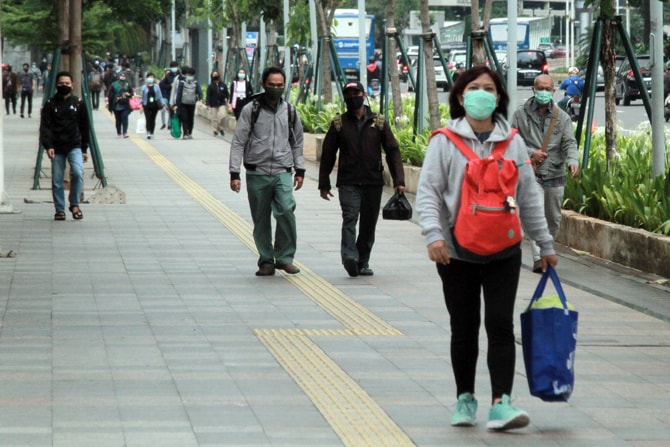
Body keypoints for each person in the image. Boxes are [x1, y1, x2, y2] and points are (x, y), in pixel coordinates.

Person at [415, 66, 558, 431]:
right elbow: (429, 192)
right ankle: (465, 398)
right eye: (474, 88)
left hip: (504, 251)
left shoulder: (512, 142)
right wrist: (433, 235)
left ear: (498, 97)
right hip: (455, 253)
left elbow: (529, 196)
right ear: (460, 97)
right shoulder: (444, 141)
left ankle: (501, 404)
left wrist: (544, 244)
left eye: (489, 89)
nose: (482, 93)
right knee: (463, 327)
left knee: (500, 324)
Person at [318, 81, 405, 277]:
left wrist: (399, 180)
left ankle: (363, 261)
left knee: (368, 223)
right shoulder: (339, 124)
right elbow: (328, 153)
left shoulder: (378, 122)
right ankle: (350, 257)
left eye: (356, 93)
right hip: (348, 182)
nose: (352, 97)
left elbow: (392, 150)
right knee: (350, 218)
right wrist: (324, 182)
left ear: (364, 95)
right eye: (348, 94)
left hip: (373, 182)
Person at [229, 66, 304, 276]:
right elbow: (238, 142)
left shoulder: (290, 111)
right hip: (257, 172)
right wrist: (234, 173)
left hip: (282, 170)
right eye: (272, 85)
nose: (276, 88)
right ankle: (266, 260)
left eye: (280, 85)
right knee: (261, 219)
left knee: (286, 210)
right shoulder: (250, 110)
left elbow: (297, 142)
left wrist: (300, 169)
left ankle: (284, 257)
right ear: (264, 84)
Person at [511, 74, 579, 273]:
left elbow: (569, 142)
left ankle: (547, 250)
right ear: (533, 89)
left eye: (547, 89)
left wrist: (572, 160)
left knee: (553, 219)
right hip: (531, 173)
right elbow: (511, 140)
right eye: (540, 88)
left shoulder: (562, 117)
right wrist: (531, 153)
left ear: (553, 91)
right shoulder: (520, 114)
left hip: (555, 174)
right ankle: (539, 258)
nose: (543, 92)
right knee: (536, 214)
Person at [39, 71, 90, 221]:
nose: (64, 86)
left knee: (78, 172)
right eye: (61, 83)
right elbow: (45, 127)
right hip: (56, 147)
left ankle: (74, 204)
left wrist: (84, 148)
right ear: (56, 85)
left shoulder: (79, 103)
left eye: (67, 83)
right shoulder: (50, 104)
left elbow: (84, 127)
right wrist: (48, 146)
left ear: (72, 85)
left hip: (74, 145)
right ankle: (59, 209)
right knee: (57, 179)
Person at [171, 66, 202, 139]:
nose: (189, 76)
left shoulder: (195, 83)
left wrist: (201, 99)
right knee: (184, 118)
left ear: (193, 75)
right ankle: (185, 133)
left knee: (191, 119)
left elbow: (199, 92)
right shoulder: (182, 83)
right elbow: (179, 94)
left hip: (192, 104)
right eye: (188, 75)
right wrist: (177, 104)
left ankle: (189, 132)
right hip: (183, 104)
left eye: (191, 75)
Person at [107, 72, 134, 138]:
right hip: (116, 105)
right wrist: (110, 102)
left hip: (125, 104)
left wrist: (129, 94)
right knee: (118, 119)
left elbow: (132, 93)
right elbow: (110, 94)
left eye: (124, 76)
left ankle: (125, 132)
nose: (123, 77)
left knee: (125, 117)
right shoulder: (114, 84)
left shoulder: (128, 84)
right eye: (121, 75)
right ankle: (118, 132)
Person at [139, 72, 165, 139]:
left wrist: (163, 105)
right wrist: (141, 106)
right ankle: (148, 132)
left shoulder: (156, 87)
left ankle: (152, 132)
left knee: (153, 119)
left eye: (152, 77)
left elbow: (160, 96)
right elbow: (142, 97)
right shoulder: (144, 87)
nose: (151, 78)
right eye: (149, 77)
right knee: (148, 119)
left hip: (155, 105)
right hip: (146, 105)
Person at [205, 70, 229, 136]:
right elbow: (208, 95)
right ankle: (215, 130)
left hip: (221, 103)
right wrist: (207, 104)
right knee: (214, 118)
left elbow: (227, 94)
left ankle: (220, 128)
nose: (215, 76)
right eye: (214, 75)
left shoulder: (223, 85)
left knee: (223, 115)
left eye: (216, 74)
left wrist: (229, 101)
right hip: (213, 103)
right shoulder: (210, 86)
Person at [161, 61, 180, 130]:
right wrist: (170, 86)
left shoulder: (180, 75)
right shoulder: (168, 76)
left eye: (175, 67)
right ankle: (171, 125)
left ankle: (178, 124)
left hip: (178, 96)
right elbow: (162, 85)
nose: (174, 68)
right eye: (172, 67)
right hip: (170, 96)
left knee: (179, 111)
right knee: (171, 111)